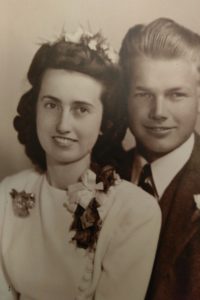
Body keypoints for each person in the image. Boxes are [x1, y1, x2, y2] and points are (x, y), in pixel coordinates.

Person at [0, 28, 161, 300]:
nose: (63, 125)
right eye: (51, 105)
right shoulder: (9, 192)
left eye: (81, 109)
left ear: (105, 122)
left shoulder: (135, 211)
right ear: (35, 109)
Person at [118, 17, 200, 300]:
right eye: (144, 94)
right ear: (125, 98)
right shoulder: (99, 172)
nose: (158, 112)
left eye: (176, 94)